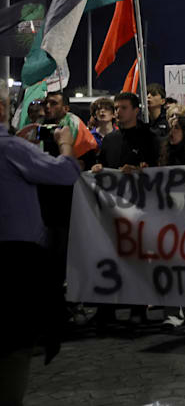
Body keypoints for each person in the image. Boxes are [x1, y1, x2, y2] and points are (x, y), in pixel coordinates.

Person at [0, 84, 81, 405]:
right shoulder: (11, 148)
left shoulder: (13, 147)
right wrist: (65, 144)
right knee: (13, 348)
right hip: (14, 258)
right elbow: (67, 172)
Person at [92, 92, 161, 173]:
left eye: (124, 108)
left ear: (136, 111)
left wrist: (137, 169)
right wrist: (98, 167)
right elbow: (103, 164)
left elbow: (157, 168)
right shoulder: (109, 139)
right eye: (116, 108)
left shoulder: (149, 138)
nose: (118, 111)